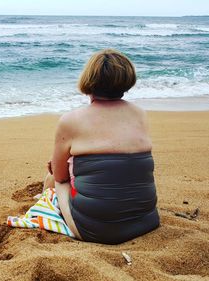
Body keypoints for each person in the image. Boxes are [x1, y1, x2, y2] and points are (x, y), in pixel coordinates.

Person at [45, 49, 160, 244]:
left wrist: (57, 170)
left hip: (95, 229)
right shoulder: (139, 114)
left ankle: (45, 205)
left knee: (52, 178)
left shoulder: (71, 120)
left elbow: (61, 176)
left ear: (88, 80)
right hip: (146, 221)